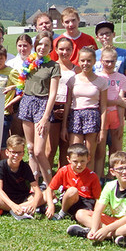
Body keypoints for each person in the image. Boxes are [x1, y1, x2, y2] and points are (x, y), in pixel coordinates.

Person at [68, 151, 126, 247]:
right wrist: (95, 228)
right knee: (81, 213)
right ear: (112, 172)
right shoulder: (110, 186)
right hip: (116, 221)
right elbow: (98, 210)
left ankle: (95, 234)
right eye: (120, 169)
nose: (124, 172)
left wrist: (106, 229)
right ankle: (107, 234)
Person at [13, 30, 60, 185]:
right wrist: (13, 88)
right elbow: (24, 83)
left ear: (50, 48)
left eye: (46, 45)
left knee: (40, 151)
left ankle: (50, 184)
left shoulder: (54, 66)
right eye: (40, 44)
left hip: (42, 105)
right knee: (31, 149)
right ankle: (35, 184)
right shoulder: (29, 63)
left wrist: (46, 117)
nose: (42, 47)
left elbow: (53, 93)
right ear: (35, 46)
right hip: (27, 102)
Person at [63, 46, 108, 174]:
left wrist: (102, 130)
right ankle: (72, 182)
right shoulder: (73, 80)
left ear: (94, 61)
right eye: (82, 60)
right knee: (74, 153)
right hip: (76, 115)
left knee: (89, 154)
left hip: (92, 116)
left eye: (88, 60)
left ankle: (89, 184)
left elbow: (104, 106)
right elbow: (67, 104)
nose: (85, 64)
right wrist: (64, 127)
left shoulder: (101, 82)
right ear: (78, 61)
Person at [0, 135, 45, 220]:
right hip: (7, 198)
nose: (16, 155)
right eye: (13, 152)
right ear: (7, 152)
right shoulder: (1, 166)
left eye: (19, 152)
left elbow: (37, 189)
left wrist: (34, 204)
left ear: (23, 153)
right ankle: (20, 210)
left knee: (45, 195)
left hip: (23, 197)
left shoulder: (25, 166)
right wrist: (12, 205)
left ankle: (13, 210)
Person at [44, 143, 101, 220]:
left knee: (82, 216)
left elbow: (98, 198)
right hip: (69, 200)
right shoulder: (64, 171)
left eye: (82, 161)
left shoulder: (92, 176)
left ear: (88, 159)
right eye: (75, 161)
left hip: (86, 202)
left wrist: (97, 212)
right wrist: (51, 205)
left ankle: (88, 226)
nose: (79, 165)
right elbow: (49, 189)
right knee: (72, 190)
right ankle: (62, 213)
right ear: (68, 159)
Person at [93, 21, 126, 124]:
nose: (105, 37)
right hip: (98, 101)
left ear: (113, 35)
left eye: (108, 33)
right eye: (101, 34)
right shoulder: (94, 55)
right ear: (97, 37)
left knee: (117, 134)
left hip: (118, 102)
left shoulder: (124, 54)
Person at [96, 47, 126, 179]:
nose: (109, 64)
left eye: (112, 61)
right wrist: (117, 102)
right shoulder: (97, 77)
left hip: (116, 116)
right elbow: (99, 101)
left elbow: (122, 102)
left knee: (116, 150)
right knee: (101, 149)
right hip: (102, 116)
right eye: (106, 61)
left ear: (116, 62)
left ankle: (112, 177)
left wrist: (121, 123)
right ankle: (99, 176)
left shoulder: (121, 78)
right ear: (101, 61)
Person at [51, 37, 76, 168]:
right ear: (56, 50)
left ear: (72, 50)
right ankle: (47, 178)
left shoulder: (76, 69)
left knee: (65, 148)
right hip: (53, 109)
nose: (64, 52)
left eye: (68, 49)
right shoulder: (51, 66)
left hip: (70, 110)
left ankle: (63, 178)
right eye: (61, 49)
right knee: (50, 148)